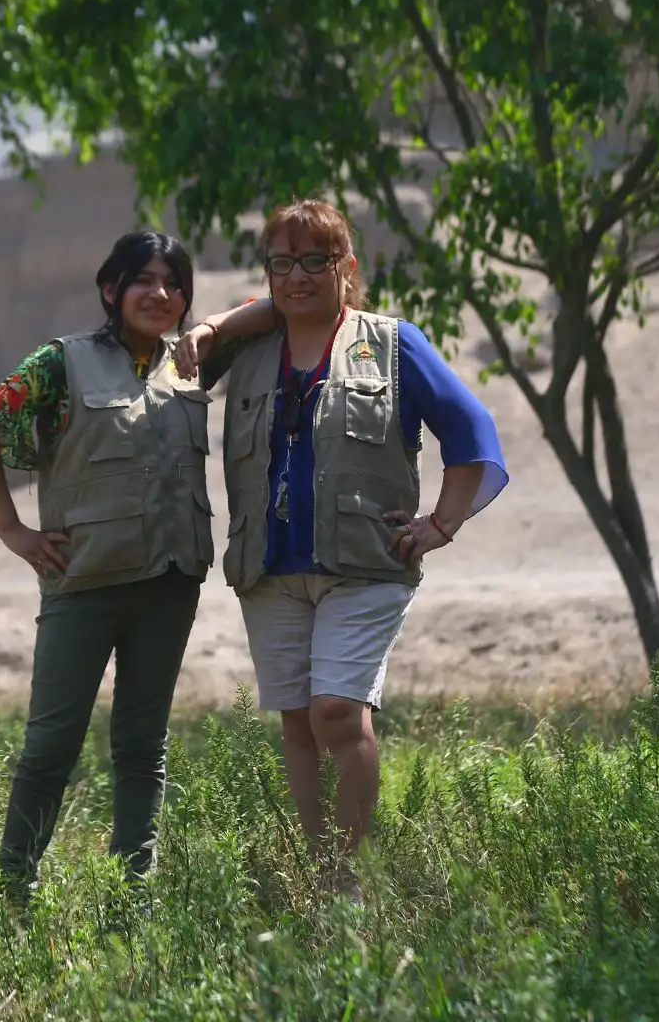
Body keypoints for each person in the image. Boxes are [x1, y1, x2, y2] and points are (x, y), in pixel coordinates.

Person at [175, 199, 507, 876]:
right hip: (268, 567)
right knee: (297, 720)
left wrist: (440, 524)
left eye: (315, 260)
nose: (296, 276)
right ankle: (318, 873)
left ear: (346, 267)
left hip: (364, 564)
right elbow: (162, 380)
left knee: (336, 711)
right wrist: (215, 323)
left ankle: (350, 875)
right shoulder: (247, 351)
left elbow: (473, 434)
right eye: (282, 262)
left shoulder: (391, 343)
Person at [0, 230, 213, 900]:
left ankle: (133, 898)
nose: (160, 294)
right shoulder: (59, 363)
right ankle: (13, 893)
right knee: (51, 747)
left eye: (174, 283)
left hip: (170, 584)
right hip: (84, 585)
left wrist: (212, 325)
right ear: (110, 290)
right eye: (143, 280)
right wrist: (12, 530)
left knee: (141, 746)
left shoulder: (193, 363)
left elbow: (272, 306)